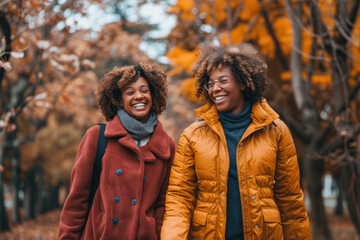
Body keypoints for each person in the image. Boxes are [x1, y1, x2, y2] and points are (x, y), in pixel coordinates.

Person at [161, 43, 311, 239]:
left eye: (223, 81)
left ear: (242, 82)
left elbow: (290, 201)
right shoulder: (193, 135)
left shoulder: (276, 130)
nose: (215, 89)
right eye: (211, 83)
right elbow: (180, 198)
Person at [58, 63, 175, 240]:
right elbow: (77, 200)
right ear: (119, 99)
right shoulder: (97, 137)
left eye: (144, 90)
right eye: (130, 92)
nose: (139, 96)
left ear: (154, 95)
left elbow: (163, 204)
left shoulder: (166, 145)